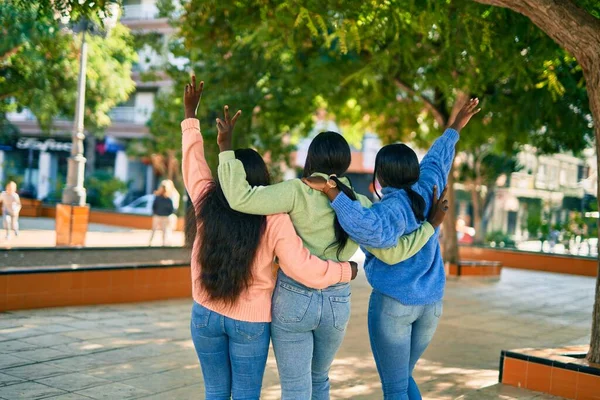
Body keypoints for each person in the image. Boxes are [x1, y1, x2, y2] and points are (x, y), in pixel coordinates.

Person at [217, 105, 447, 400]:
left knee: (296, 388)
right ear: (346, 162)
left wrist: (225, 147)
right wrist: (430, 226)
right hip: (337, 302)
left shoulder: (296, 191)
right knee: (319, 380)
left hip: (294, 299)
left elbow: (240, 198)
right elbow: (391, 254)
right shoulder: (360, 203)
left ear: (310, 158)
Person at [182, 76, 361, 400]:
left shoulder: (207, 199)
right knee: (249, 393)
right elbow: (302, 267)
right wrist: (345, 271)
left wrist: (191, 118)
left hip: (204, 312)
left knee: (215, 392)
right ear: (261, 179)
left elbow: (193, 165)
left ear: (229, 176)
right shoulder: (275, 218)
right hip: (250, 322)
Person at [303, 98, 481, 400]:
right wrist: (454, 128)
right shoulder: (429, 186)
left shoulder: (392, 207)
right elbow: (438, 158)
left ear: (381, 177)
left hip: (394, 305)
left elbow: (367, 228)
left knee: (395, 387)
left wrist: (333, 192)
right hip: (431, 306)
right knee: (402, 380)